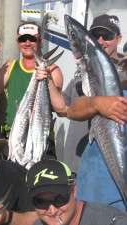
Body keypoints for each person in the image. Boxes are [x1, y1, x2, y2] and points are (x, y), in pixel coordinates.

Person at [36, 14, 127, 211]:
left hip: (110, 184)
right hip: (81, 172)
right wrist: (47, 79)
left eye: (107, 35)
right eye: (96, 35)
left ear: (118, 38)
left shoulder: (123, 72)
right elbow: (63, 108)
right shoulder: (82, 74)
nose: (101, 40)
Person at [0, 21, 63, 136]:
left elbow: (59, 108)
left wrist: (48, 79)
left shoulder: (53, 70)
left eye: (32, 39)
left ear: (40, 41)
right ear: (17, 42)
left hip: (39, 134)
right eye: (23, 39)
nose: (27, 43)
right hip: (12, 134)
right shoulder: (9, 67)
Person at [26, 159, 127, 225]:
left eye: (60, 199)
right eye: (41, 202)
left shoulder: (112, 221)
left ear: (74, 190)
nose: (52, 211)